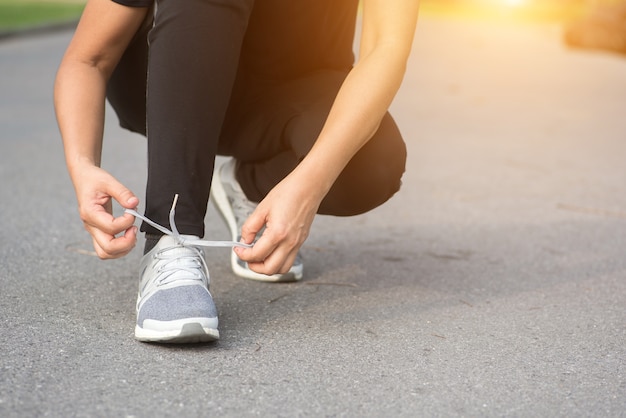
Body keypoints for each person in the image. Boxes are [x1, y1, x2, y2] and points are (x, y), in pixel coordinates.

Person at [54, 0, 419, 343]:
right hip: (171, 76)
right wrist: (82, 165)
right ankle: (170, 240)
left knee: (373, 163)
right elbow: (88, 58)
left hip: (289, 90)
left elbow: (386, 48)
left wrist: (310, 181)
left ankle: (245, 186)